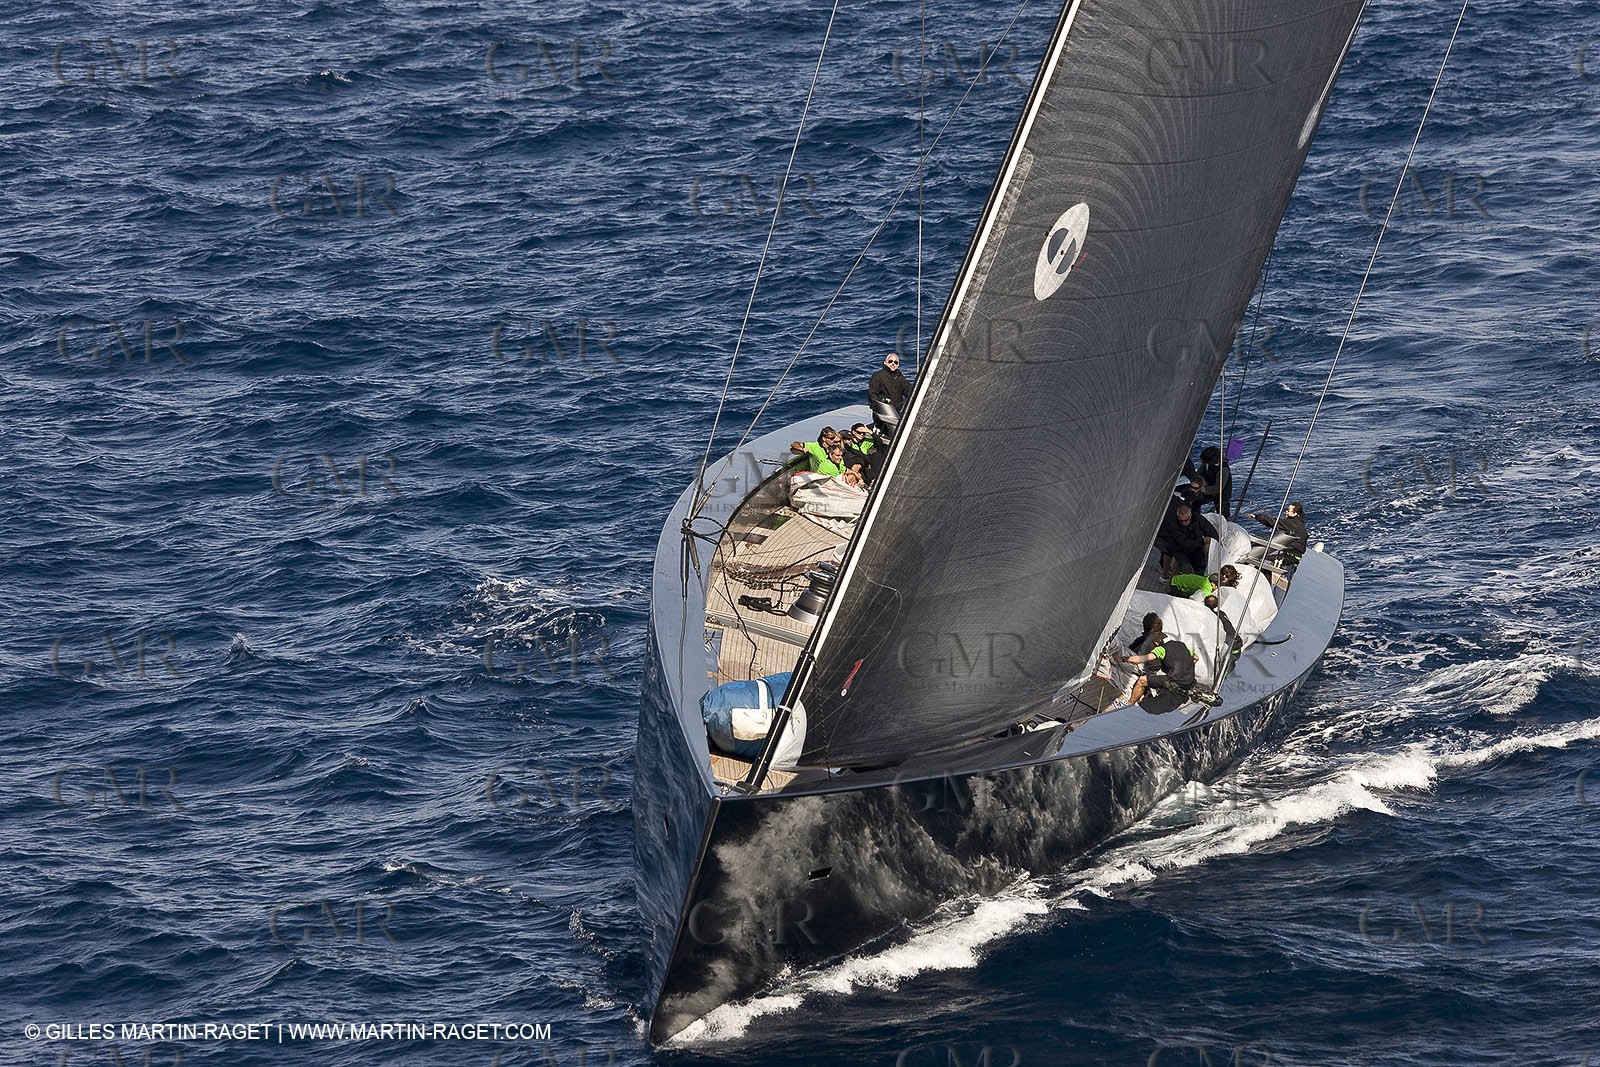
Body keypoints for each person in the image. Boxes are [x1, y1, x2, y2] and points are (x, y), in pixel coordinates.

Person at [1122, 636, 1198, 705]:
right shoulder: (1182, 646)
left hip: (1175, 681)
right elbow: (1196, 658)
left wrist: (1123, 659)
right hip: (1190, 678)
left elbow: (1139, 660)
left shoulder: (1161, 649)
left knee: (1142, 680)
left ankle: (1128, 705)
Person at [1153, 503, 1216, 578]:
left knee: (1200, 567)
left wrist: (1214, 541)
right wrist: (1202, 541)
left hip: (1196, 547)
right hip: (1180, 549)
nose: (1184, 523)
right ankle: (1170, 579)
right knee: (1186, 568)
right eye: (1181, 521)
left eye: (1186, 520)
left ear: (1190, 516)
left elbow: (1211, 531)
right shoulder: (1173, 525)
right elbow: (1184, 543)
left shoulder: (1198, 519)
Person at [868, 353, 911, 437]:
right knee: (886, 435)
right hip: (883, 412)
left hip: (897, 411)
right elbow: (872, 395)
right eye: (890, 361)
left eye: (896, 362)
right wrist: (880, 408)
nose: (893, 364)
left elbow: (908, 390)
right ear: (885, 362)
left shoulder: (900, 377)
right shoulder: (878, 376)